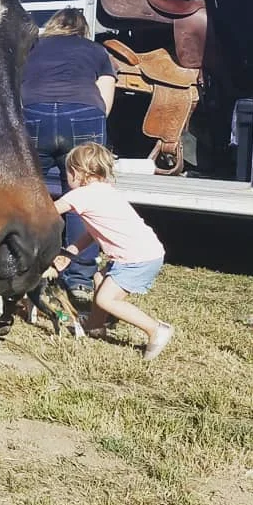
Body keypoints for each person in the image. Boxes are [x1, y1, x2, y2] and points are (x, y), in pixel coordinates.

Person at [22, 8, 117, 295]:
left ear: (51, 25)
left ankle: (26, 268)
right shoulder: (96, 51)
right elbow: (105, 97)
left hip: (33, 113)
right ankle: (79, 278)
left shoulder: (31, 48)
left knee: (28, 193)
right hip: (83, 112)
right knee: (85, 197)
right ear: (82, 30)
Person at [52, 143, 173, 360]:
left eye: (67, 171)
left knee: (106, 300)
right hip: (146, 252)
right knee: (99, 278)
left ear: (77, 173)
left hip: (136, 259)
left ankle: (156, 329)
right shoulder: (105, 191)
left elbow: (47, 212)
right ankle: (95, 326)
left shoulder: (80, 195)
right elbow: (93, 233)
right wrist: (69, 253)